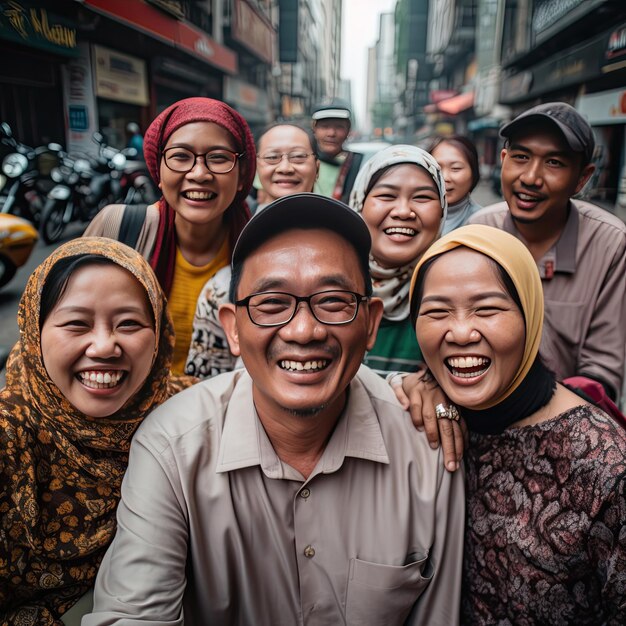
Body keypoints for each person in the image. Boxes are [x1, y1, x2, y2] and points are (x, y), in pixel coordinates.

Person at [84, 194, 465, 625]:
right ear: (231, 327)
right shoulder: (172, 448)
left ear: (371, 322)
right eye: (271, 304)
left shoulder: (428, 444)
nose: (304, 330)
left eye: (334, 301)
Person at [409, 224, 626, 625]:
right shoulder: (419, 421)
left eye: (487, 310)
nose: (460, 332)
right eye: (437, 312)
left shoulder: (604, 467)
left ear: (530, 316)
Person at [0, 238, 193, 626]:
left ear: (158, 334)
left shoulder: (189, 413)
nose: (105, 346)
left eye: (129, 324)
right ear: (35, 331)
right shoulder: (10, 432)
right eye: (76, 324)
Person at [85, 97, 256, 378]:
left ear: (240, 177)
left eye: (219, 158)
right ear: (159, 170)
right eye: (180, 156)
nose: (199, 173)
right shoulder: (116, 228)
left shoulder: (258, 248)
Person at [470, 102, 626, 402]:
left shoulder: (610, 243)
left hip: (571, 417)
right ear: (504, 160)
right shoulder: (480, 231)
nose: (530, 177)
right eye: (520, 157)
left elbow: (602, 372)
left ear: (582, 178)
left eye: (554, 162)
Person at [349, 144, 447, 375]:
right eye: (386, 195)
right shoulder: (327, 284)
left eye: (422, 197)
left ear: (443, 210)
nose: (403, 211)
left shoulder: (453, 293)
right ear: (359, 203)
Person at [254, 122, 319, 210]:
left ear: (317, 168)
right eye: (272, 157)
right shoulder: (241, 222)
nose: (285, 168)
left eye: (298, 156)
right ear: (257, 167)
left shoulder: (339, 221)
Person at [311, 98, 363, 202]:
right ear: (314, 128)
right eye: (325, 127)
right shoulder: (303, 163)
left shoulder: (359, 164)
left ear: (348, 130)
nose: (331, 133)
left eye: (339, 127)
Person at [428, 135, 481, 234]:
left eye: (455, 168)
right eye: (437, 168)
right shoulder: (412, 215)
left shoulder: (482, 223)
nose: (445, 177)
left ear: (473, 173)